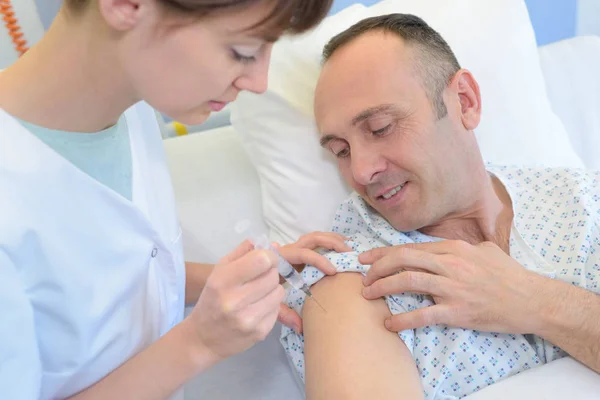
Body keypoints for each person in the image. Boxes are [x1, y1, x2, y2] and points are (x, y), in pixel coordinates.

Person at [0, 0, 352, 399]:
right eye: (243, 52)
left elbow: (108, 278)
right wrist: (200, 342)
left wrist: (243, 280)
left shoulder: (130, 108)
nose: (258, 81)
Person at [279, 14, 600, 399]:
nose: (361, 171)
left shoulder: (584, 201)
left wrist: (539, 302)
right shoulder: (355, 280)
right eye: (340, 151)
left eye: (381, 127)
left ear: (464, 101)